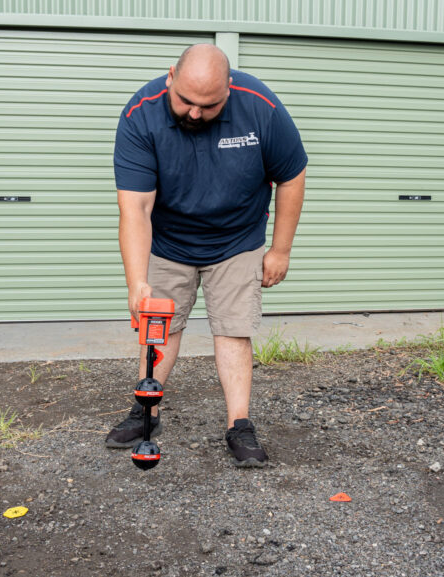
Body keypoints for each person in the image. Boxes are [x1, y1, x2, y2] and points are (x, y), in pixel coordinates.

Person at [105, 44, 308, 467]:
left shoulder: (262, 108)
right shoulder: (140, 114)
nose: (194, 113)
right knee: (159, 326)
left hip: (237, 239)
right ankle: (146, 411)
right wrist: (137, 282)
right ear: (169, 79)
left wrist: (280, 249)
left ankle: (240, 425)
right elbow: (136, 207)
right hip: (169, 240)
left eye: (209, 105)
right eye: (185, 101)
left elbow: (291, 175)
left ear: (229, 90)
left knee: (233, 329)